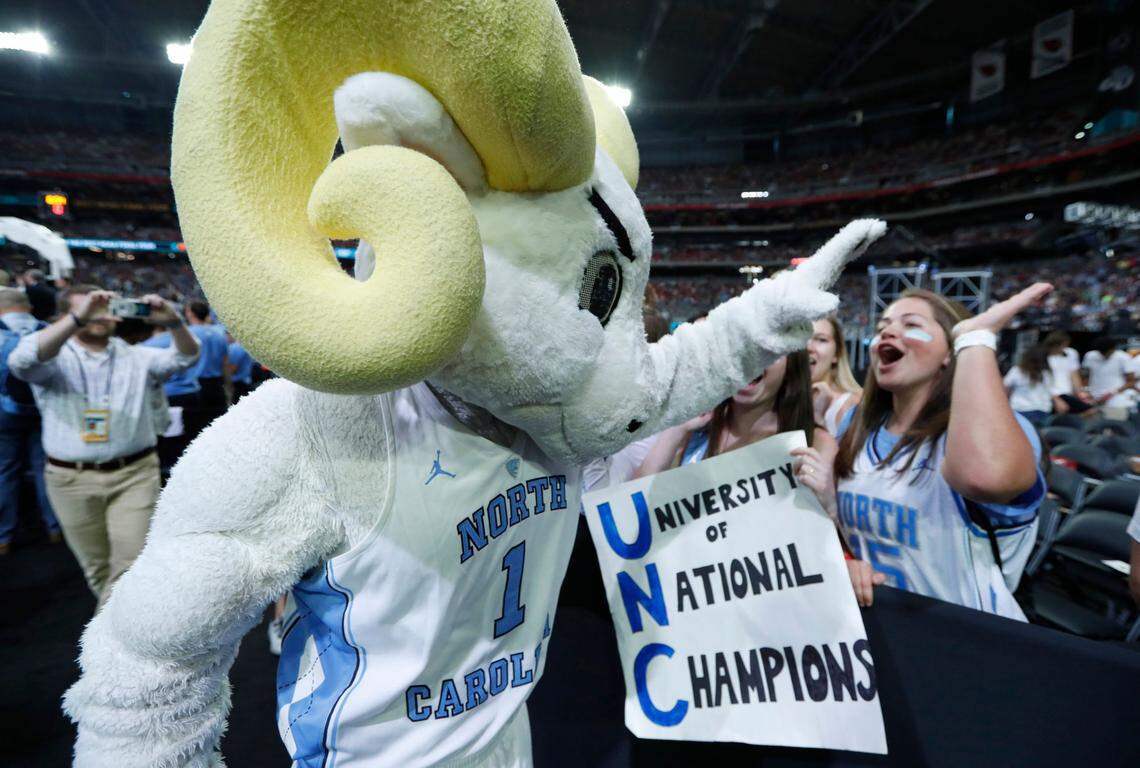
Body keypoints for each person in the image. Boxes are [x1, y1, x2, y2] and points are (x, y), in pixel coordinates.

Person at [834, 285, 1050, 620]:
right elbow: (844, 533)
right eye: (882, 328)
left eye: (911, 324)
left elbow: (984, 478)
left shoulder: (998, 431)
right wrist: (846, 562)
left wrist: (974, 340)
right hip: (875, 635)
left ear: (950, 353)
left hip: (968, 645)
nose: (889, 331)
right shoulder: (856, 426)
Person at [633, 351, 884, 607]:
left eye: (767, 352)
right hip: (686, 599)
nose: (750, 359)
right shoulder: (695, 429)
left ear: (791, 362)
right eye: (743, 347)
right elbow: (631, 507)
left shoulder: (816, 442)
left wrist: (828, 502)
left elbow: (825, 540)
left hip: (766, 613)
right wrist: (676, 430)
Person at [7, 285, 199, 605]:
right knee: (96, 568)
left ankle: (111, 647)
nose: (98, 315)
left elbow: (186, 356)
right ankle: (120, 632)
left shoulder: (136, 356)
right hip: (70, 481)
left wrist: (174, 322)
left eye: (104, 308)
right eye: (88, 309)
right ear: (66, 316)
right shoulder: (52, 358)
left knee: (130, 567)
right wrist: (77, 319)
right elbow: (22, 361)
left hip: (134, 473)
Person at [0, 289, 59, 553]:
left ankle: (4, 534)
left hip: (4, 412)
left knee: (5, 470)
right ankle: (55, 526)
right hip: (43, 408)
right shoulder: (47, 329)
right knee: (43, 469)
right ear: (27, 306)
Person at [141, 325, 203, 469]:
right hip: (191, 393)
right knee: (192, 440)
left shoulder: (148, 347)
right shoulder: (187, 342)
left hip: (169, 397)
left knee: (170, 442)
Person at [807, 316, 861, 436]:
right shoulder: (773, 404)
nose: (809, 347)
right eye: (801, 338)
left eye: (821, 339)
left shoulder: (853, 406)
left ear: (837, 353)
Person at [184, 299, 229, 425]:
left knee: (200, 427)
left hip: (196, 386)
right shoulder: (219, 334)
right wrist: (229, 387)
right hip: (217, 385)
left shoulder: (187, 334)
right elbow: (225, 365)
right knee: (219, 424)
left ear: (190, 313)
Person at [1002, 344, 1055, 427]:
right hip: (1043, 411)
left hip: (1020, 410)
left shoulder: (1017, 370)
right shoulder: (1048, 373)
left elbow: (1004, 389)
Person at [1043, 331, 1092, 414]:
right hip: (1052, 394)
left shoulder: (1071, 353)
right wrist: (1054, 398)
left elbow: (1074, 374)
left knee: (1090, 410)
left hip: (1067, 393)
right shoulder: (1042, 356)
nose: (1064, 347)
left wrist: (1080, 393)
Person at [1083, 337, 1135, 410]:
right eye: (1101, 352)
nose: (1104, 355)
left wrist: (1111, 394)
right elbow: (1085, 376)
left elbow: (1131, 381)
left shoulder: (1123, 357)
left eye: (1107, 352)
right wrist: (1086, 391)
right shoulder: (1090, 356)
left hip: (1117, 399)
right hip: (1093, 397)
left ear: (1113, 349)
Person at [225, 332, 255, 403]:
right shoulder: (243, 346)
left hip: (238, 384)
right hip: (245, 382)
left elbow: (232, 369)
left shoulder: (235, 348)